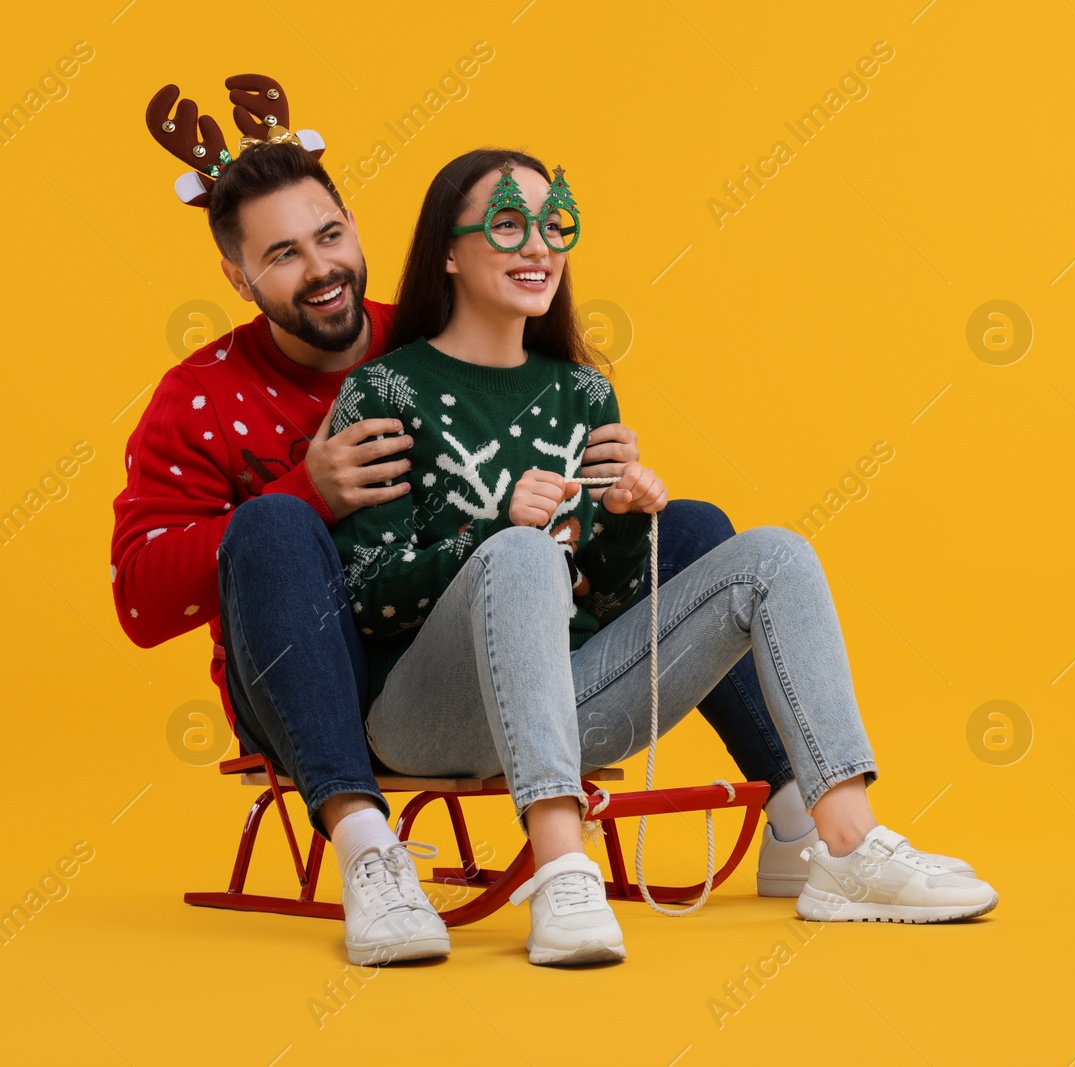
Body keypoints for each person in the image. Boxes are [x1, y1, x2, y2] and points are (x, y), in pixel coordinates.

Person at [113, 75, 835, 967]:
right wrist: (307, 492)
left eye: (331, 235)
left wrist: (603, 494)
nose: (322, 269)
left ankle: (804, 810)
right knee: (268, 527)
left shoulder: (424, 344)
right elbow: (140, 603)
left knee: (689, 529)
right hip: (327, 682)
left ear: (357, 228)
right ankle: (368, 848)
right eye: (284, 255)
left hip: (498, 634)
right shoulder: (199, 397)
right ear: (238, 275)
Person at [329, 148, 999, 967]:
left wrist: (617, 523)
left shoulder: (582, 394)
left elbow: (600, 602)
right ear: (448, 249)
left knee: (774, 556)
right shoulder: (384, 391)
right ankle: (563, 866)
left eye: (553, 226)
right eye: (508, 224)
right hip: (426, 715)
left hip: (563, 708)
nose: (538, 246)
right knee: (522, 555)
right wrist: (491, 535)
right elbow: (365, 597)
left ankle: (847, 848)